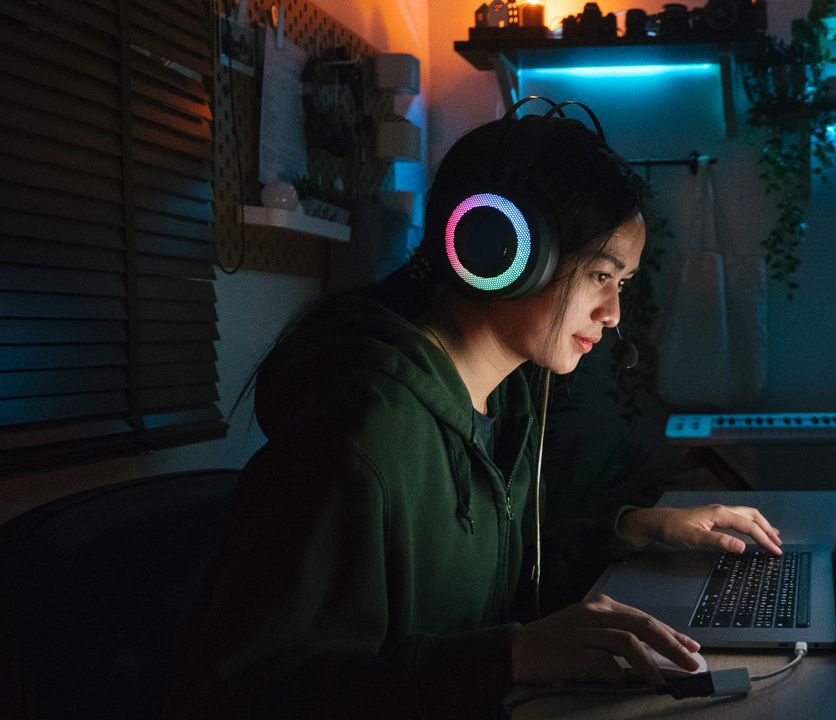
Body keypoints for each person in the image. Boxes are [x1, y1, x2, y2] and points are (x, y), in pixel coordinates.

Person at [164, 107, 782, 719]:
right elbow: (253, 696)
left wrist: (636, 530)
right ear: (497, 250)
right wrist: (509, 657)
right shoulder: (361, 433)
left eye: (621, 284)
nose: (614, 314)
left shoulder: (502, 405)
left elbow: (496, 593)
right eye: (600, 274)